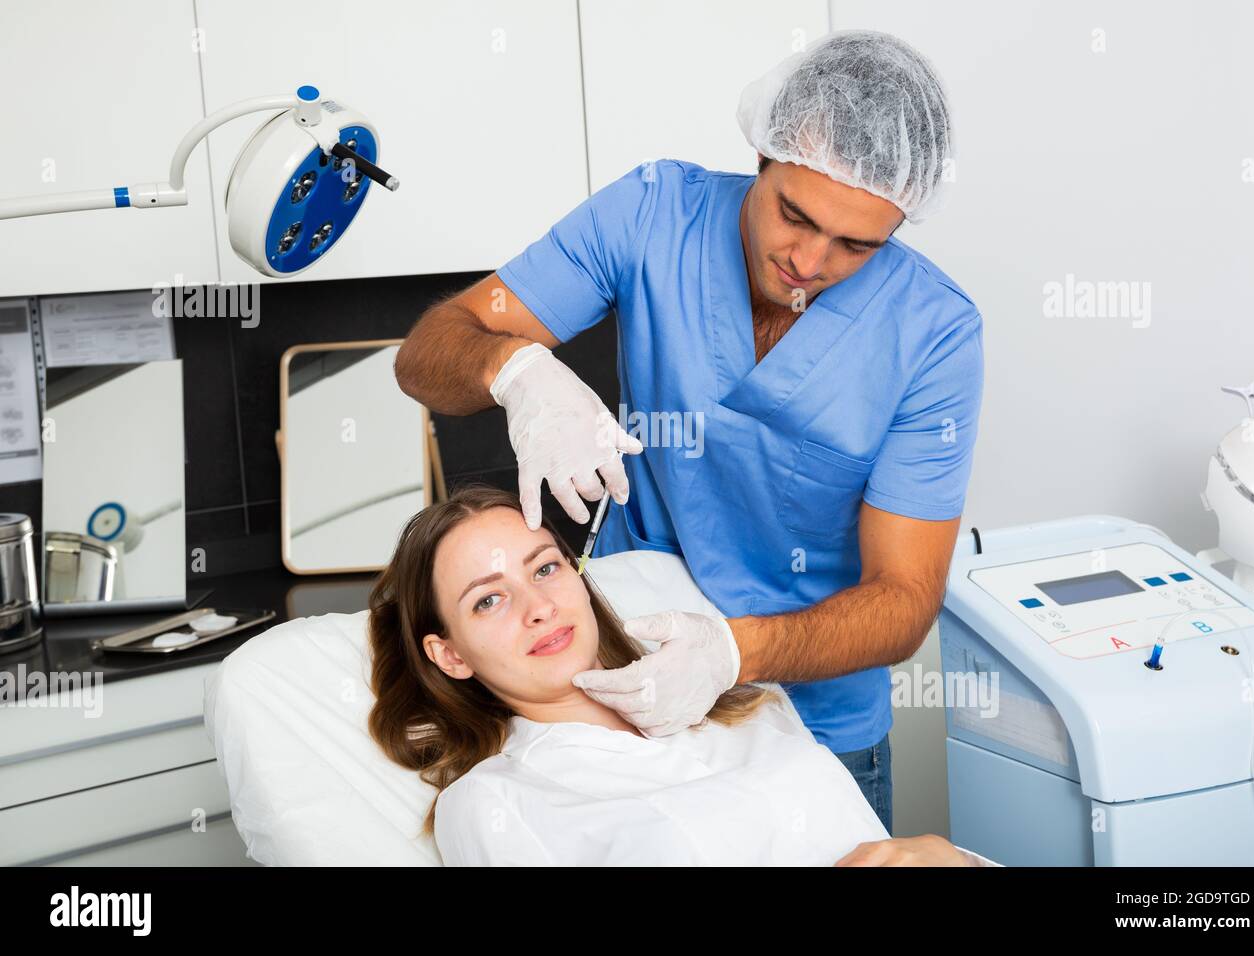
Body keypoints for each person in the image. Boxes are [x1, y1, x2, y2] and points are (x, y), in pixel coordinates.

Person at [394, 30, 983, 833]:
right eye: (795, 215)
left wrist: (732, 654)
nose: (810, 262)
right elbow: (429, 353)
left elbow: (905, 604)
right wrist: (515, 372)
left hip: (822, 726)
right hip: (626, 690)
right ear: (763, 152)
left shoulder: (934, 333)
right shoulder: (652, 215)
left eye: (857, 245)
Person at [366, 484, 994, 866]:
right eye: (488, 600)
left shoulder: (737, 701)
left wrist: (953, 857)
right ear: (449, 654)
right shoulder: (493, 803)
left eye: (545, 569)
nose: (538, 607)